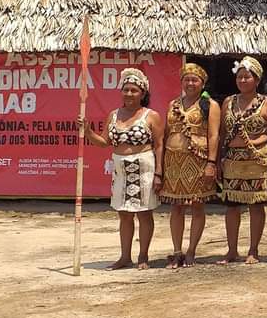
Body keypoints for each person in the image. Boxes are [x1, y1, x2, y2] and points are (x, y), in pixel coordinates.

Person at [80, 67, 164, 270]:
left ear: (142, 93)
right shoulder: (113, 115)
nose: (129, 94)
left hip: (144, 168)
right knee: (124, 214)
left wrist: (159, 173)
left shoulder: (152, 116)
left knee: (144, 213)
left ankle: (143, 256)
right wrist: (89, 131)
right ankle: (125, 256)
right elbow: (103, 142)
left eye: (134, 90)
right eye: (126, 90)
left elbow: (160, 145)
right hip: (121, 170)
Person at [219, 56, 267, 264]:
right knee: (232, 206)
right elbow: (221, 132)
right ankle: (232, 250)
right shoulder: (228, 102)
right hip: (233, 160)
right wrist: (218, 159)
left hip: (257, 159)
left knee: (256, 206)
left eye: (247, 77)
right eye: (240, 77)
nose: (243, 81)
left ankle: (253, 250)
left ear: (257, 79)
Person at [159, 63, 219, 269]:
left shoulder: (210, 105)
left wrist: (211, 163)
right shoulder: (173, 104)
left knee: (197, 205)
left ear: (202, 83)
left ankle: (192, 250)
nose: (190, 83)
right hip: (174, 161)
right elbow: (166, 133)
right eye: (187, 79)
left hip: (198, 160)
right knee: (176, 206)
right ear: (182, 82)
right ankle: (177, 251)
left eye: (195, 80)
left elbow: (213, 135)